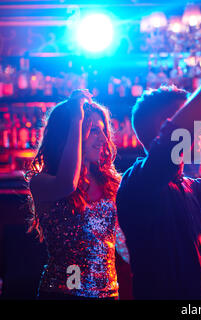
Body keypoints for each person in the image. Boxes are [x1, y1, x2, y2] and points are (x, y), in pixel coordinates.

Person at [115, 22, 201, 300]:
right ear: (166, 127)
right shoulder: (140, 182)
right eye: (192, 120)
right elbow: (167, 148)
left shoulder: (185, 187)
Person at [27, 89, 129, 300]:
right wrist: (76, 118)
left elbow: (118, 239)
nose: (103, 139)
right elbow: (67, 184)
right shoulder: (40, 182)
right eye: (93, 130)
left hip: (109, 295)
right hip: (61, 295)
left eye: (103, 131)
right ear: (68, 134)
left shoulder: (111, 182)